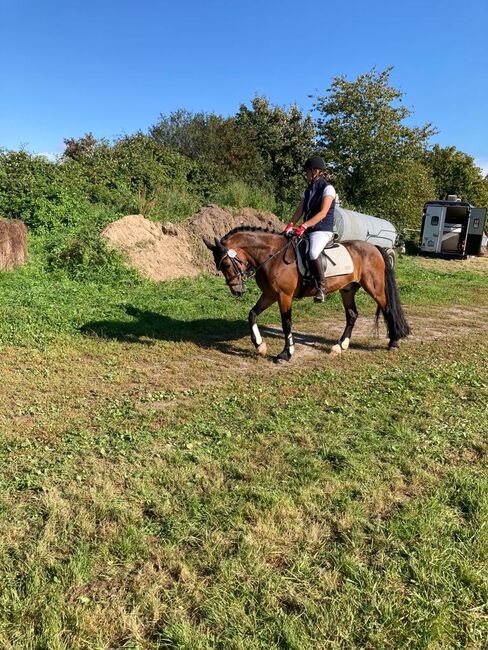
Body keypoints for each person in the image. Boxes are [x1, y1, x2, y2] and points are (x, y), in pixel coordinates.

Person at [283, 156, 337, 302]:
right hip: (308, 229)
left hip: (322, 229)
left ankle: (322, 287)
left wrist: (304, 225)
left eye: (307, 171)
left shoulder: (328, 188)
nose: (306, 174)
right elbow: (299, 210)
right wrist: (290, 224)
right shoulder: (308, 190)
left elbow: (323, 213)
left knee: (313, 252)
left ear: (315, 171)